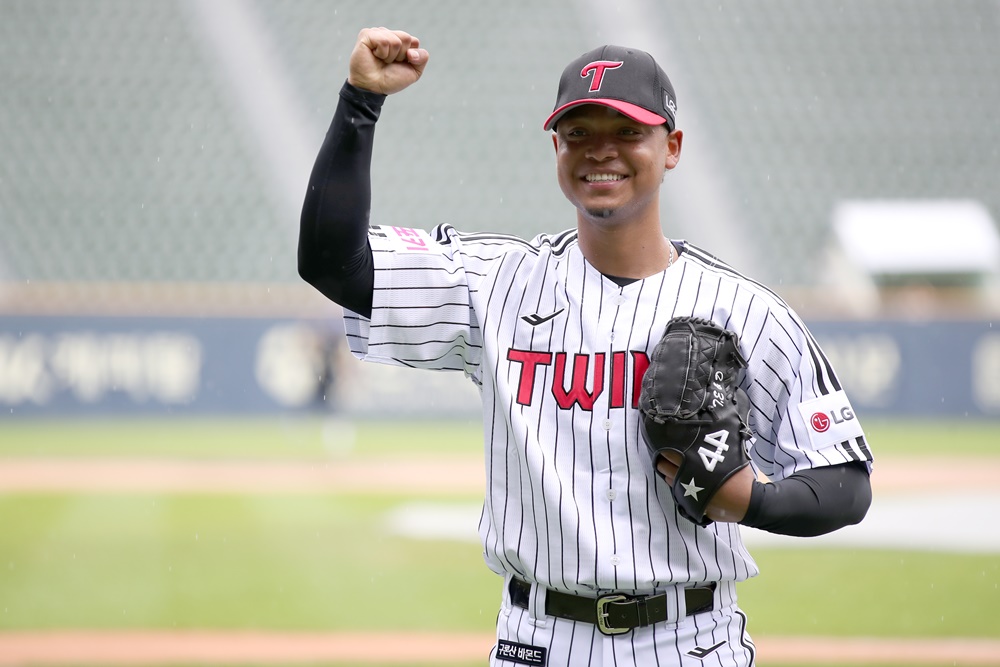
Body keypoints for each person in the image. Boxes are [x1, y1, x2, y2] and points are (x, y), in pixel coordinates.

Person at [298, 27, 873, 666]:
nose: (602, 152)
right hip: (537, 640)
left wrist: (752, 501)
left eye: (628, 132)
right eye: (579, 134)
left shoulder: (744, 311)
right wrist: (360, 101)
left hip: (692, 640)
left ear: (672, 146)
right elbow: (333, 262)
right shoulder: (494, 283)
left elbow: (845, 483)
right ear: (556, 147)